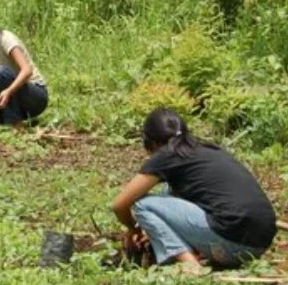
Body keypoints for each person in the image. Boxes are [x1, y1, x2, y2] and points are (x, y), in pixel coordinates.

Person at [112, 107, 277, 271]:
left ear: (152, 142)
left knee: (142, 204)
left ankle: (190, 264)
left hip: (230, 244)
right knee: (168, 192)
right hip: (258, 246)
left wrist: (134, 228)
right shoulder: (207, 149)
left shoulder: (167, 154)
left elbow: (119, 205)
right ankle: (196, 249)